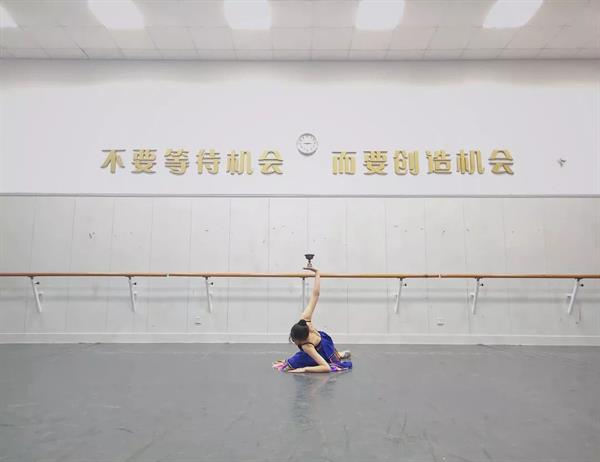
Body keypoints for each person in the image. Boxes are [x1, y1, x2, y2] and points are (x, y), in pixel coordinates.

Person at [272, 266, 352, 373]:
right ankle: (337, 355)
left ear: (301, 340)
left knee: (295, 361)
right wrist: (317, 273)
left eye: (294, 341)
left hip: (322, 349)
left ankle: (332, 357)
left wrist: (304, 369)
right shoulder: (305, 319)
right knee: (303, 356)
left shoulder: (307, 346)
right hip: (326, 340)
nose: (294, 343)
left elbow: (326, 368)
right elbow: (315, 294)